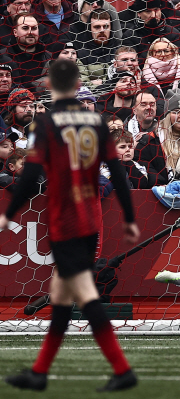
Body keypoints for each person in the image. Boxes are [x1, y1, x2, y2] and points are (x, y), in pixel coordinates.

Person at [0, 59, 140, 392]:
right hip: (89, 217)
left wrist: (10, 213)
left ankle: (122, 370)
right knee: (62, 298)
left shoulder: (48, 123)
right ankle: (39, 373)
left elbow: (32, 173)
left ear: (51, 84)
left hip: (64, 218)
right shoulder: (95, 120)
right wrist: (131, 216)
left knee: (85, 296)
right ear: (78, 84)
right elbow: (118, 171)